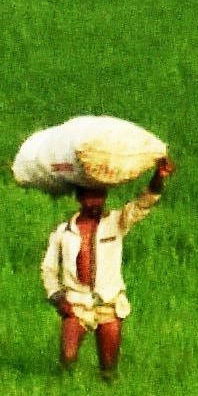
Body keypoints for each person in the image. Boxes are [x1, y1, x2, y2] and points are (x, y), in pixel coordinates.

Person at [45, 158, 169, 379]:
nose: (95, 203)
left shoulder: (116, 222)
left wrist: (158, 177)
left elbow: (143, 204)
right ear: (80, 198)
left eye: (99, 197)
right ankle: (62, 390)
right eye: (90, 197)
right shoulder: (63, 232)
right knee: (67, 356)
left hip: (109, 302)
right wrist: (58, 298)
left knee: (108, 369)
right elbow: (49, 269)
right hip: (76, 302)